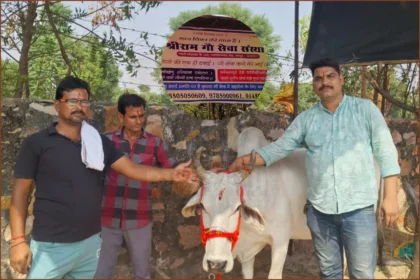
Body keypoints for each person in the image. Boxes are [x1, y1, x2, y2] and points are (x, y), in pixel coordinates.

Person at [9, 76, 198, 279]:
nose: (79, 106)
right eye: (72, 101)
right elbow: (20, 193)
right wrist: (18, 241)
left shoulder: (97, 143)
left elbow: (134, 170)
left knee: (137, 272)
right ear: (57, 105)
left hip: (99, 238)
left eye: (84, 101)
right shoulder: (38, 143)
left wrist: (174, 174)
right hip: (57, 242)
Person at [228, 58, 400, 279]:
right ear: (314, 85)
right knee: (329, 273)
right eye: (318, 78)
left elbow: (386, 153)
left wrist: (391, 197)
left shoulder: (365, 110)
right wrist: (244, 161)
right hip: (321, 211)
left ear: (341, 80)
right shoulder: (307, 120)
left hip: (358, 209)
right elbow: (278, 149)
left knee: (362, 273)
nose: (324, 82)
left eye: (330, 76)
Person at [94, 94, 177, 278]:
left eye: (141, 116)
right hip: (107, 218)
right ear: (121, 117)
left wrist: (186, 173)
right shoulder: (105, 141)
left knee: (142, 273)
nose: (138, 121)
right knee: (100, 273)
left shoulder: (155, 143)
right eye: (133, 116)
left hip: (139, 219)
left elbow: (172, 167)